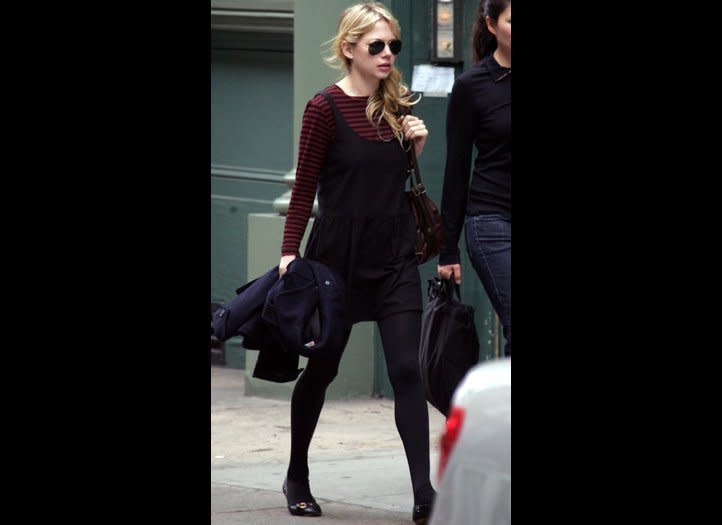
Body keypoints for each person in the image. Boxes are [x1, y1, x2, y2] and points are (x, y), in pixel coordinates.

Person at [278, 2, 435, 523]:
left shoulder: (395, 107)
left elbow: (390, 184)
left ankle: (423, 493)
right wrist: (287, 254)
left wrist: (415, 145)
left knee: (407, 370)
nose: (388, 53)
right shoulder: (323, 108)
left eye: (394, 45)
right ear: (349, 50)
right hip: (337, 261)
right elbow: (304, 188)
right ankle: (296, 473)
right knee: (321, 370)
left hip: (392, 255)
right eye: (377, 46)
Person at [437, 0, 512, 357]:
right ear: (492, 25)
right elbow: (456, 170)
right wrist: (447, 248)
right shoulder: (472, 86)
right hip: (491, 222)